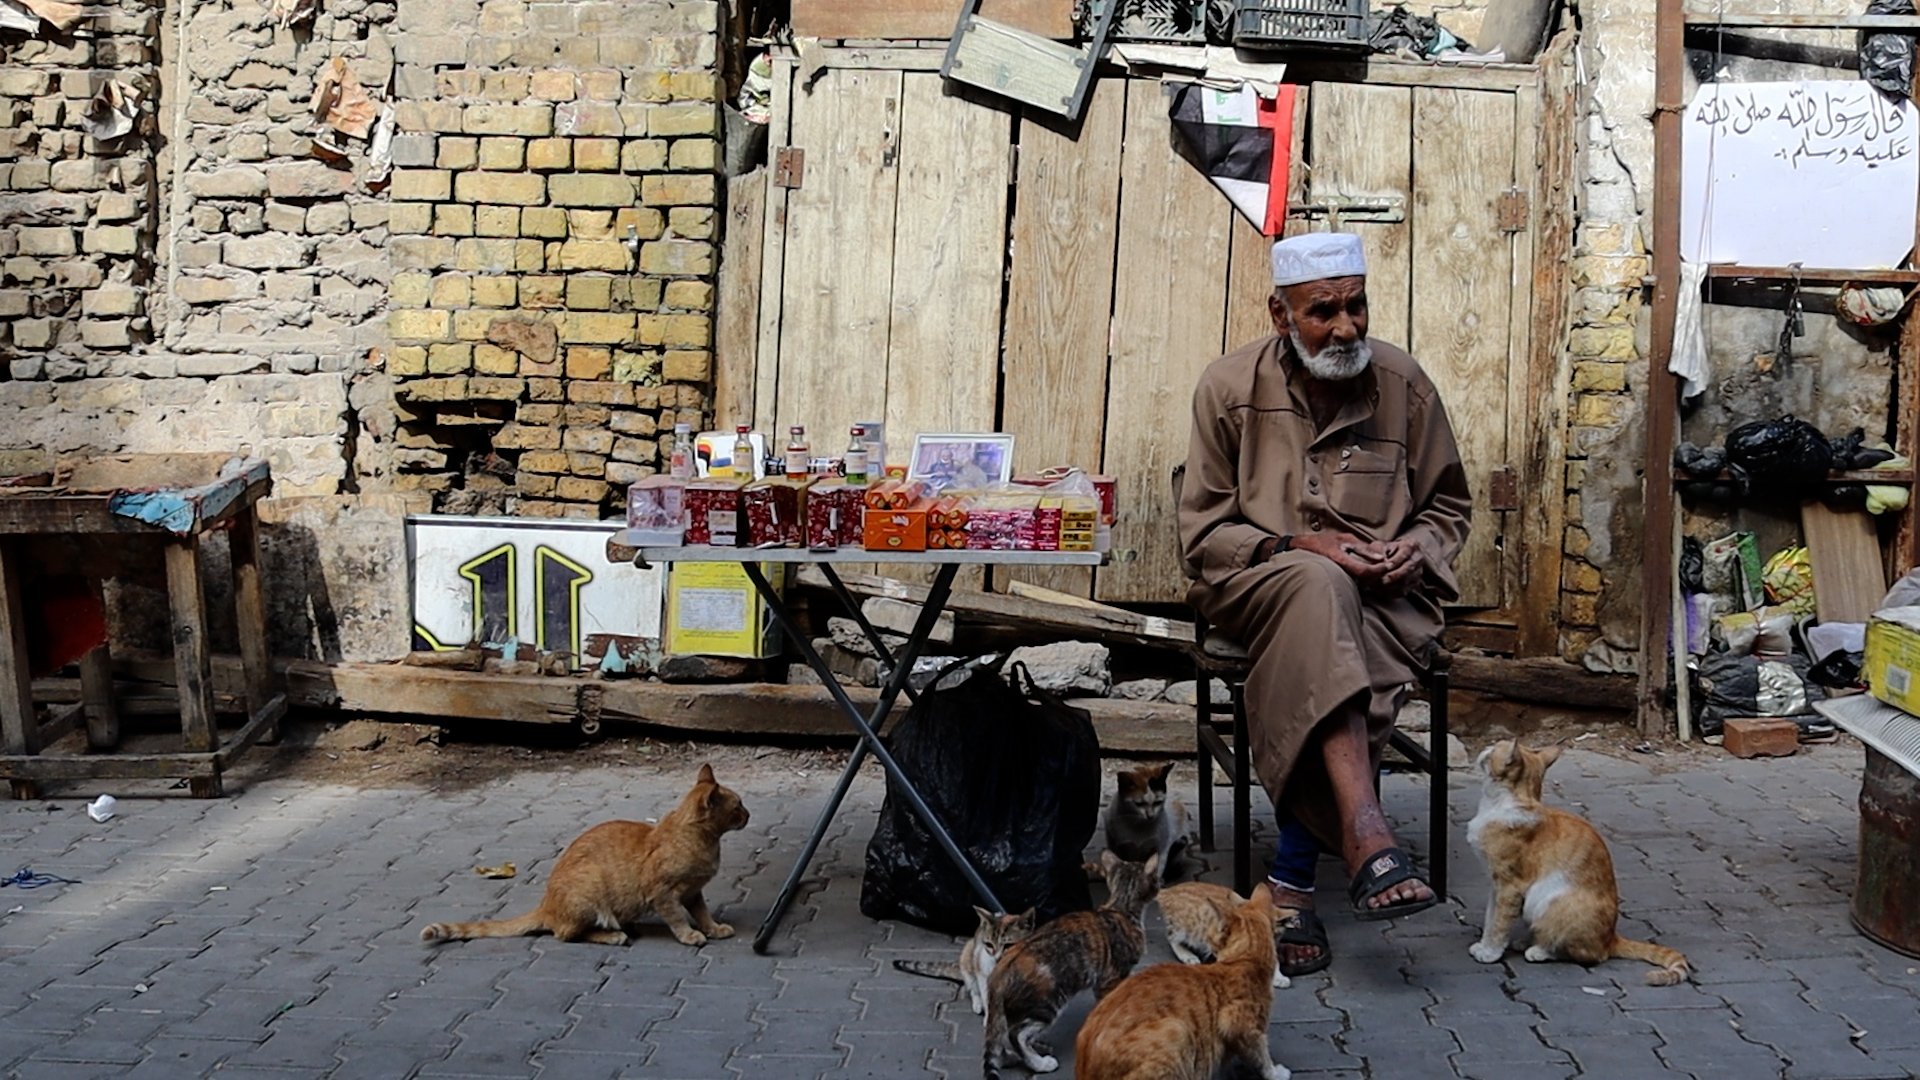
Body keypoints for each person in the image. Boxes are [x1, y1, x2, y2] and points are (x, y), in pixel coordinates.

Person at [1176, 232, 1471, 977]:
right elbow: (1204, 535)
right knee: (1319, 584)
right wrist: (1301, 548)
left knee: (1342, 620)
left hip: (1386, 600)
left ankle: (1291, 882)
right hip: (1259, 581)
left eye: (1356, 306)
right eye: (1323, 312)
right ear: (1281, 316)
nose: (1346, 327)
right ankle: (1366, 829)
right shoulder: (1226, 387)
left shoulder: (1404, 385)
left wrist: (1420, 551)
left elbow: (1448, 509)